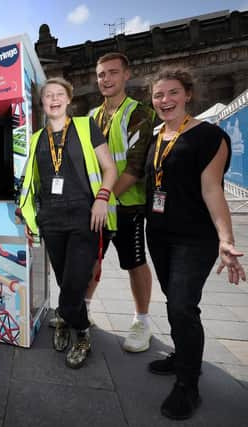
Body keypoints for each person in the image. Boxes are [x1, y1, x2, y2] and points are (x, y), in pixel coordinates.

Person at [145, 69, 245, 420]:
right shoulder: (155, 137)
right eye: (158, 95)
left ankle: (188, 383)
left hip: (194, 238)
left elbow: (212, 189)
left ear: (188, 94)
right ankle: (182, 355)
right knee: (176, 301)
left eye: (172, 93)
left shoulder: (210, 136)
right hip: (158, 235)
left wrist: (226, 240)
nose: (165, 100)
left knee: (183, 306)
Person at [19, 77, 117, 369]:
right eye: (48, 95)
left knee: (74, 286)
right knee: (64, 281)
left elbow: (110, 168)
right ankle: (65, 319)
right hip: (51, 220)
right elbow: (31, 185)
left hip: (84, 218)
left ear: (69, 99)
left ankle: (81, 334)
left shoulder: (87, 127)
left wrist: (101, 198)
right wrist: (27, 216)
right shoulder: (37, 138)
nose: (53, 99)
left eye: (59, 94)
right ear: (42, 103)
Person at [85, 52, 156, 352]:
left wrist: (104, 198)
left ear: (127, 75)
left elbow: (135, 168)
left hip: (127, 205)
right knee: (91, 259)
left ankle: (142, 321)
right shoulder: (91, 117)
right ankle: (83, 310)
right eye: (101, 74)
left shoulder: (139, 113)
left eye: (112, 73)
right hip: (98, 205)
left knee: (135, 262)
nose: (106, 79)